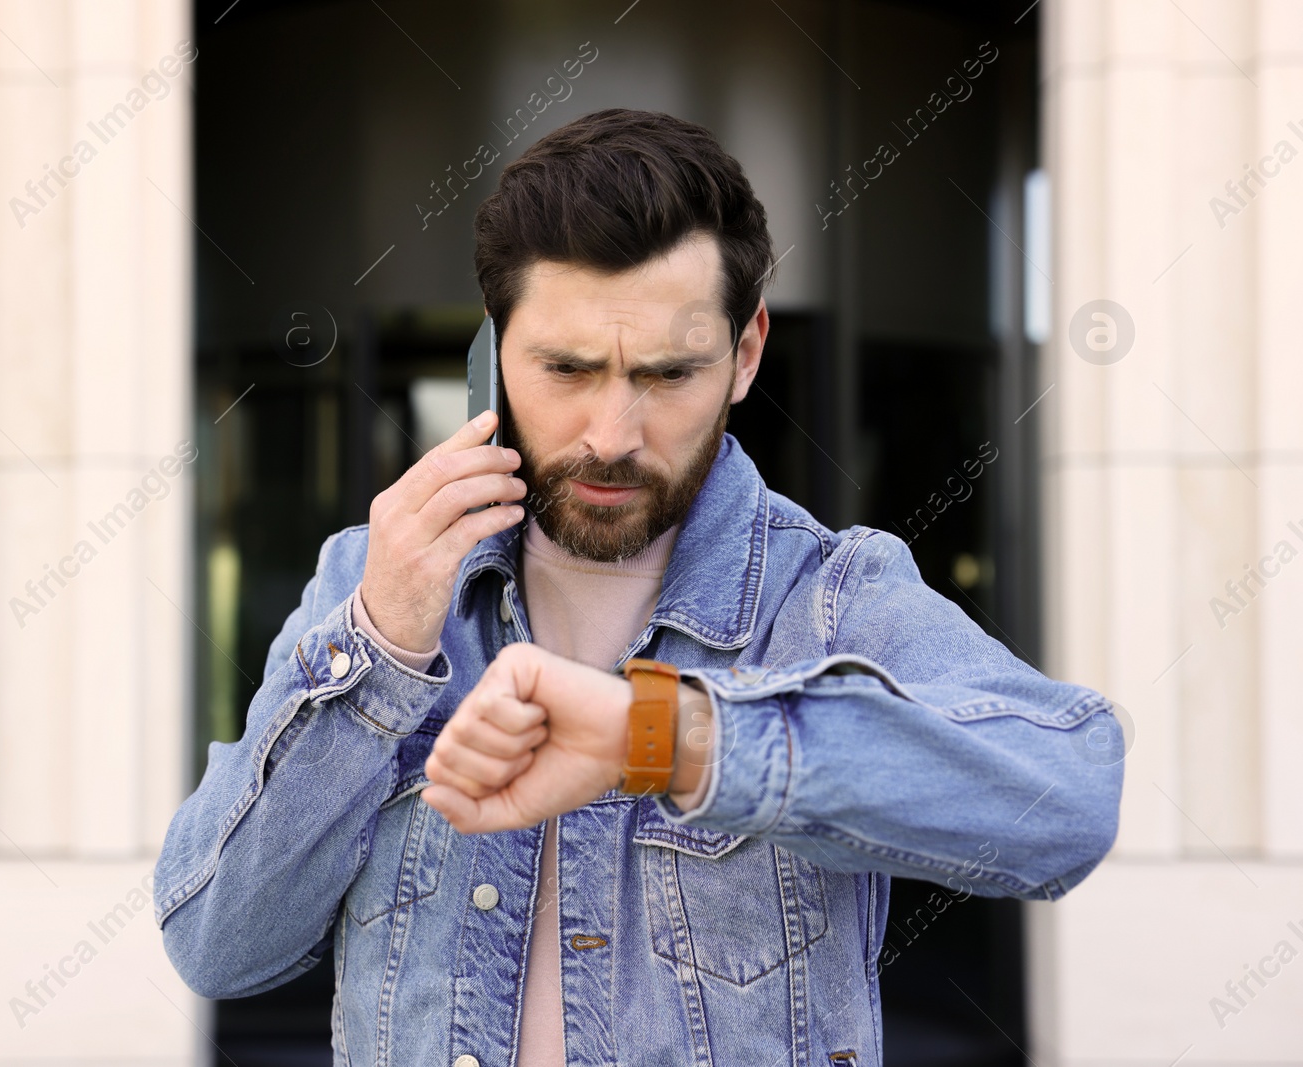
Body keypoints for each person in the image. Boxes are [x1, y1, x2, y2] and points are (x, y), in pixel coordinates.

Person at [153, 107, 1123, 1065]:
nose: (612, 432)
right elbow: (217, 940)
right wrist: (379, 646)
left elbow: (1069, 801)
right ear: (492, 351)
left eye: (667, 373)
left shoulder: (825, 594)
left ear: (744, 355)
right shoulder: (372, 581)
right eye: (566, 369)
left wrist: (664, 738)